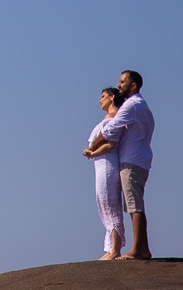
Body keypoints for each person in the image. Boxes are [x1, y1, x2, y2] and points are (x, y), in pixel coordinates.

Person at [88, 70, 155, 260]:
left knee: (134, 206)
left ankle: (136, 250)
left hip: (132, 160)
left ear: (133, 85)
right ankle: (143, 249)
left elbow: (110, 129)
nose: (119, 85)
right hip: (138, 159)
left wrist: (92, 147)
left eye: (122, 82)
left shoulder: (132, 105)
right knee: (133, 205)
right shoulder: (141, 106)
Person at [82, 87, 126, 259]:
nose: (100, 100)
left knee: (110, 204)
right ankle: (110, 248)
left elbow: (111, 143)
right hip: (101, 165)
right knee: (104, 205)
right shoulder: (108, 118)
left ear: (112, 97)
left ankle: (115, 249)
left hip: (108, 164)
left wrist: (92, 153)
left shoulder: (113, 118)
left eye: (103, 96)